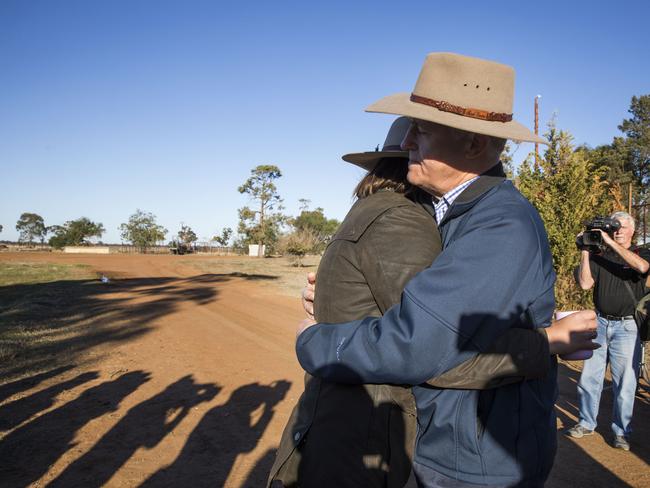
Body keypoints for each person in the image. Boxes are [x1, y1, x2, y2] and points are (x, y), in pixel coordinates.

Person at [294, 52, 599, 487]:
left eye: (422, 128)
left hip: (475, 462)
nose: (408, 140)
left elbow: (417, 346)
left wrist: (313, 340)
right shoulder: (455, 212)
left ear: (474, 144)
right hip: (454, 446)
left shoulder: (500, 224)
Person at [566, 211, 649, 451]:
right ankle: (585, 422)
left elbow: (642, 268)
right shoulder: (599, 255)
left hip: (627, 327)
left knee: (625, 383)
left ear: (632, 231)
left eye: (622, 226)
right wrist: (585, 250)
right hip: (600, 323)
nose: (618, 230)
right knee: (589, 378)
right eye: (615, 227)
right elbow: (585, 284)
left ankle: (621, 432)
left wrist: (609, 241)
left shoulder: (640, 253)